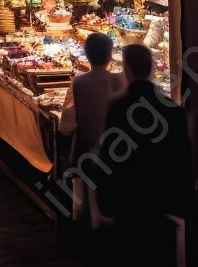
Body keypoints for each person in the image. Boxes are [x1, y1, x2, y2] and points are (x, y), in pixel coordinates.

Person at [97, 44, 192, 263]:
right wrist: (184, 205)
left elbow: (109, 158)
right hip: (163, 206)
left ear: (127, 71)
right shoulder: (172, 110)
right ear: (152, 69)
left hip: (128, 204)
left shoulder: (119, 108)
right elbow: (183, 160)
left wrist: (106, 201)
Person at [57, 31, 125, 228]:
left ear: (86, 55)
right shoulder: (119, 80)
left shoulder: (79, 82)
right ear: (110, 55)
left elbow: (68, 122)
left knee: (90, 194)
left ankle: (86, 223)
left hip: (88, 149)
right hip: (117, 148)